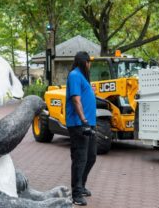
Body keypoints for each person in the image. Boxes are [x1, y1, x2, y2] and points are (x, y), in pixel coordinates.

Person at [66, 51, 96, 206]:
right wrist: (84, 120)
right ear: (85, 62)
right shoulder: (75, 75)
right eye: (89, 62)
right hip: (79, 124)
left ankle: (81, 185)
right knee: (80, 159)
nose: (90, 65)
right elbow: (76, 100)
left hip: (88, 123)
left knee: (91, 157)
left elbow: (84, 97)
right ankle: (76, 194)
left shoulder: (82, 77)